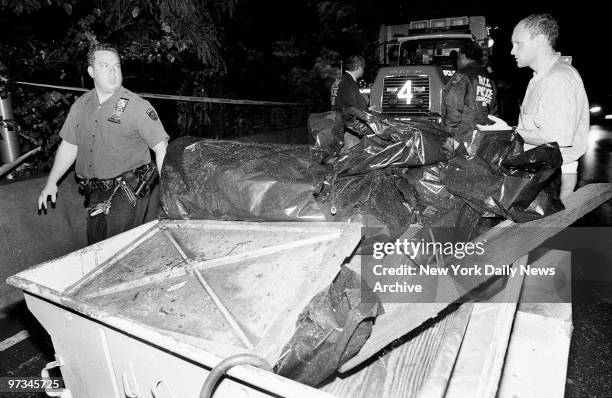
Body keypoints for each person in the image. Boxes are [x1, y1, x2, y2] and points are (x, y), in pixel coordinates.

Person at [37, 43, 169, 244]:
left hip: (129, 190)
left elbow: (161, 148)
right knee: (97, 250)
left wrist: (168, 193)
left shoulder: (137, 106)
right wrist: (51, 182)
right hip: (96, 193)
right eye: (105, 66)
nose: (113, 72)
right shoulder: (81, 105)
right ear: (91, 71)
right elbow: (70, 145)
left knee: (117, 254)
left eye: (116, 66)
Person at [478, 14, 589, 198]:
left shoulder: (558, 79)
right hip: (541, 172)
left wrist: (509, 131)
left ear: (539, 40)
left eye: (518, 43)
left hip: (551, 178)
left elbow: (556, 139)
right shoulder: (540, 78)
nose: (512, 51)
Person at [441, 41, 498, 142]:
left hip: (462, 136)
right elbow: (493, 110)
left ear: (462, 55)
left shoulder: (462, 75)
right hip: (482, 135)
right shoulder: (489, 79)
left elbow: (453, 105)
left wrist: (448, 133)